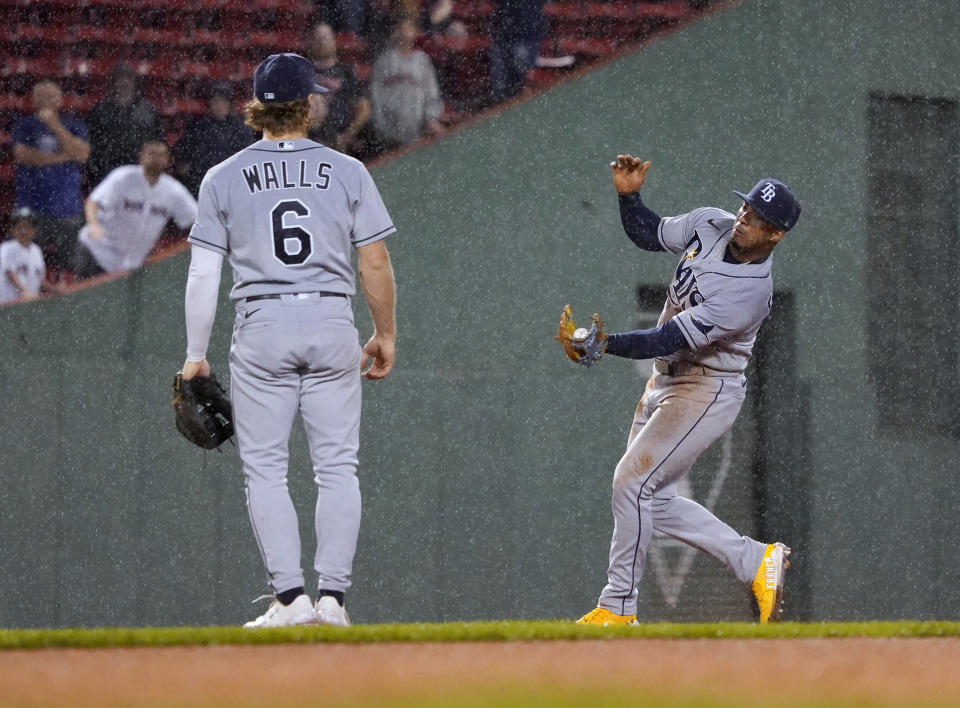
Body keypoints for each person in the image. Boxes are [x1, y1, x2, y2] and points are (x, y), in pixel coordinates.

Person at [180, 53, 397, 628]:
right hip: (330, 320)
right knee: (336, 468)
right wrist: (384, 333)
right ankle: (334, 602)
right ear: (310, 104)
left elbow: (203, 276)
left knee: (267, 470)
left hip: (262, 322)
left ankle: (289, 599)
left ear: (257, 106)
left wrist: (196, 357)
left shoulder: (222, 176)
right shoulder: (348, 170)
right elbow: (373, 261)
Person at [572, 155, 801, 626]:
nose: (744, 219)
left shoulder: (750, 293)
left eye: (758, 219)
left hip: (705, 390)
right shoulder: (711, 224)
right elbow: (648, 232)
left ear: (775, 234)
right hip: (667, 379)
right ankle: (755, 560)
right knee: (649, 499)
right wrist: (628, 195)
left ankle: (619, 607)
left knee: (631, 483)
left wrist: (607, 343)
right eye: (747, 208)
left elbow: (668, 337)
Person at [73, 140, 197, 279]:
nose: (156, 159)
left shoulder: (173, 190)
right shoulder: (123, 177)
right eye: (152, 154)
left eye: (161, 155)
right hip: (97, 252)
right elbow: (93, 202)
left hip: (130, 265)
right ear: (141, 156)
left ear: (167, 159)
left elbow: (197, 220)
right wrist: (93, 224)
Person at [11, 81, 90, 273]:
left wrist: (54, 126)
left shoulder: (74, 125)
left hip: (67, 209)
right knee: (22, 266)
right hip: (30, 209)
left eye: (51, 95)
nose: (46, 99)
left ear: (60, 100)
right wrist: (60, 158)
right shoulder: (24, 126)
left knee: (75, 267)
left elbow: (81, 154)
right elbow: (22, 155)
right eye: (41, 95)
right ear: (33, 99)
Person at [368, 17, 443, 153]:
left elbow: (432, 91)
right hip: (389, 135)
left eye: (408, 28)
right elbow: (375, 95)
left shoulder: (422, 60)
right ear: (394, 32)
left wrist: (431, 118)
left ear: (415, 32)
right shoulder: (384, 61)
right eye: (401, 29)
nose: (404, 32)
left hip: (418, 131)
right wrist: (381, 125)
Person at [85, 63, 162, 188]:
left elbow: (156, 141)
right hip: (106, 171)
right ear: (113, 82)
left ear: (135, 82)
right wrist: (94, 171)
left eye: (128, 78)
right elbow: (92, 143)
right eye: (120, 78)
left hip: (139, 171)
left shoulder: (148, 111)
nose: (124, 82)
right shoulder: (100, 110)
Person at [173, 82, 255, 197]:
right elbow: (182, 156)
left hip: (231, 185)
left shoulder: (241, 129)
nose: (219, 105)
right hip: (201, 184)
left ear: (230, 104)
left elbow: (248, 159)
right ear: (209, 103)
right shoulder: (197, 127)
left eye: (224, 101)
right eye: (215, 101)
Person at [306, 23, 372, 155]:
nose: (322, 42)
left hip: (340, 138)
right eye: (318, 38)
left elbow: (364, 109)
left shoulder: (346, 72)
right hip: (312, 140)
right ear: (311, 42)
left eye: (325, 38)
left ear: (333, 41)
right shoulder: (303, 72)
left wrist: (346, 136)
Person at [0, 207, 55, 304]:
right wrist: (25, 291)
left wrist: (55, 289)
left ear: (34, 230)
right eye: (19, 227)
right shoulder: (7, 247)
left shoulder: (36, 250)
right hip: (8, 305)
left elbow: (40, 280)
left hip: (29, 305)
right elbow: (10, 272)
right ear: (12, 230)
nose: (23, 231)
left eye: (27, 227)